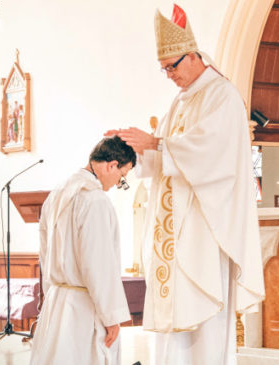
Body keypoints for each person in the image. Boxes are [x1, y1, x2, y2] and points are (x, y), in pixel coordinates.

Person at [106, 5, 265, 365]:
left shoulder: (222, 95)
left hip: (204, 232)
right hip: (175, 236)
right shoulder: (180, 101)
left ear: (192, 56)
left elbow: (214, 154)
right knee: (174, 329)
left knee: (202, 325)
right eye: (163, 69)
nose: (168, 75)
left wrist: (157, 143)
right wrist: (132, 147)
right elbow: (164, 154)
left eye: (172, 66)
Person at [30, 136, 136, 365]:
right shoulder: (94, 200)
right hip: (83, 308)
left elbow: (44, 252)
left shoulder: (57, 193)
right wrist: (111, 317)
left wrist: (50, 294)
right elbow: (97, 264)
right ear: (112, 165)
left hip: (57, 303)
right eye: (122, 175)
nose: (119, 183)